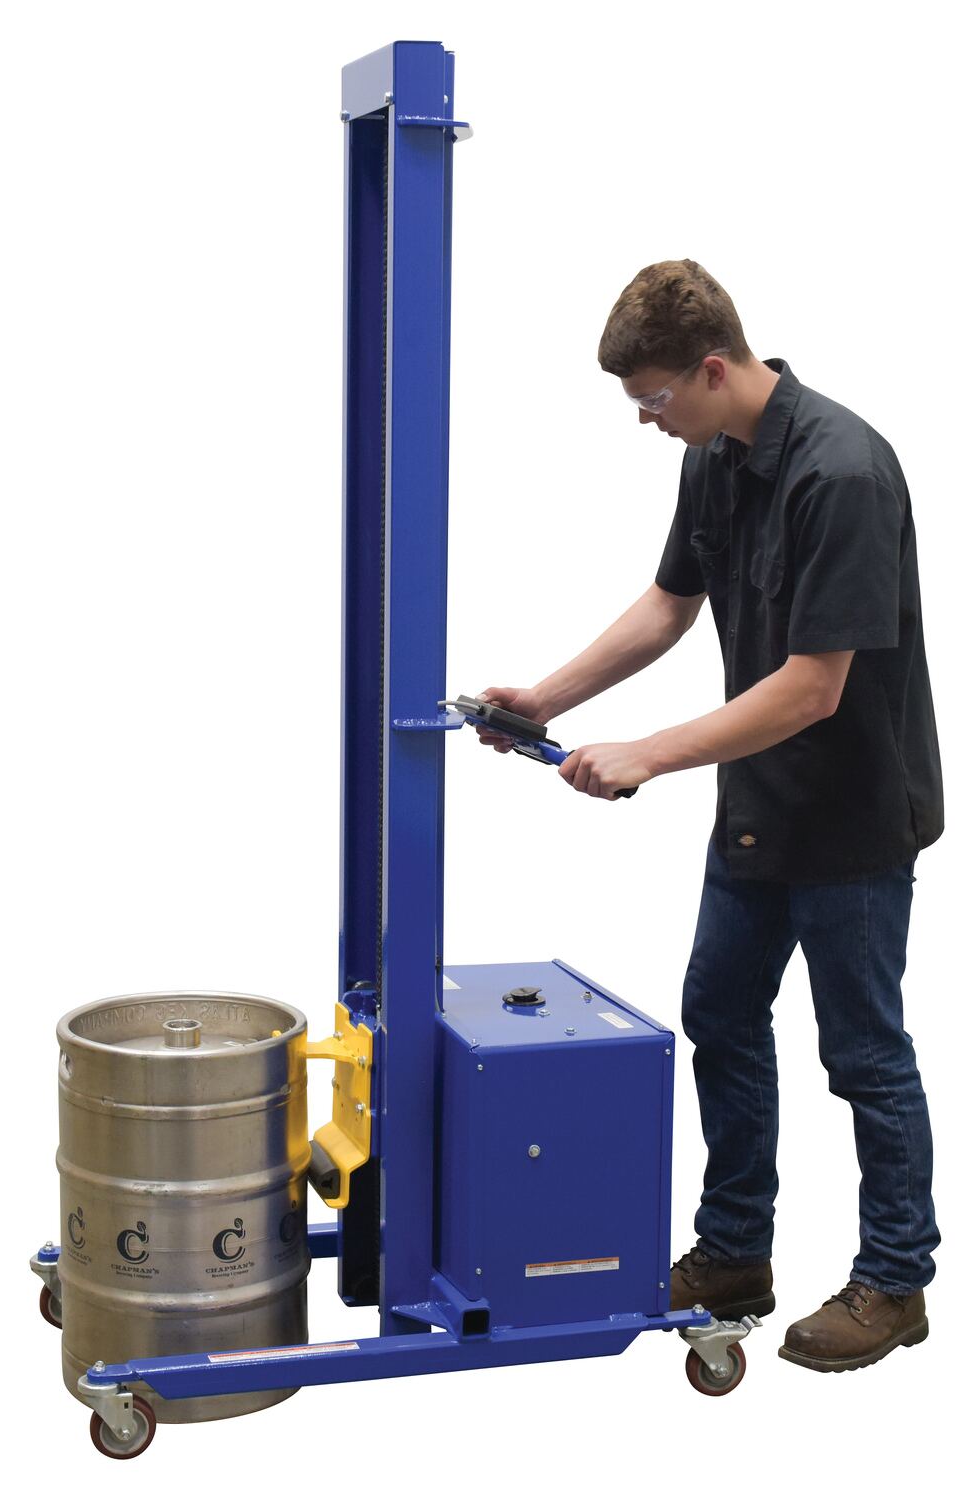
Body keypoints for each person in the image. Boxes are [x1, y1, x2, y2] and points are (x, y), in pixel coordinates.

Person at [475, 259, 942, 1374]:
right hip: (757, 807)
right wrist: (546, 700)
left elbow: (812, 688)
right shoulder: (715, 457)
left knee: (863, 1053)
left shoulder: (844, 472)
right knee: (720, 1016)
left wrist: (647, 753)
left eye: (653, 398)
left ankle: (895, 1280)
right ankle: (735, 1252)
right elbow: (668, 605)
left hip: (851, 815)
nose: (645, 421)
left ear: (715, 368)